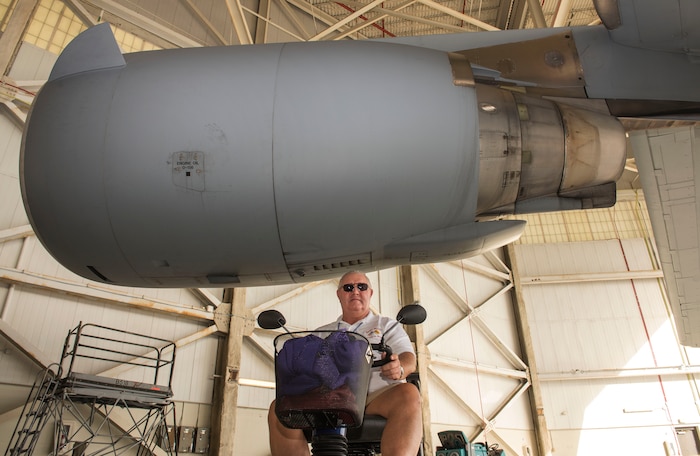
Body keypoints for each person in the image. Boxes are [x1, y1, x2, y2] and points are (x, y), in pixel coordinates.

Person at [267, 271, 423, 456]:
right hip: (329, 400)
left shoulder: (387, 325)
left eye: (361, 287)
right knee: (279, 407)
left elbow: (408, 357)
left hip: (374, 397)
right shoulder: (321, 333)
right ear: (339, 294)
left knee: (408, 393)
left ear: (370, 293)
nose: (355, 291)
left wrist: (400, 368)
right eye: (348, 288)